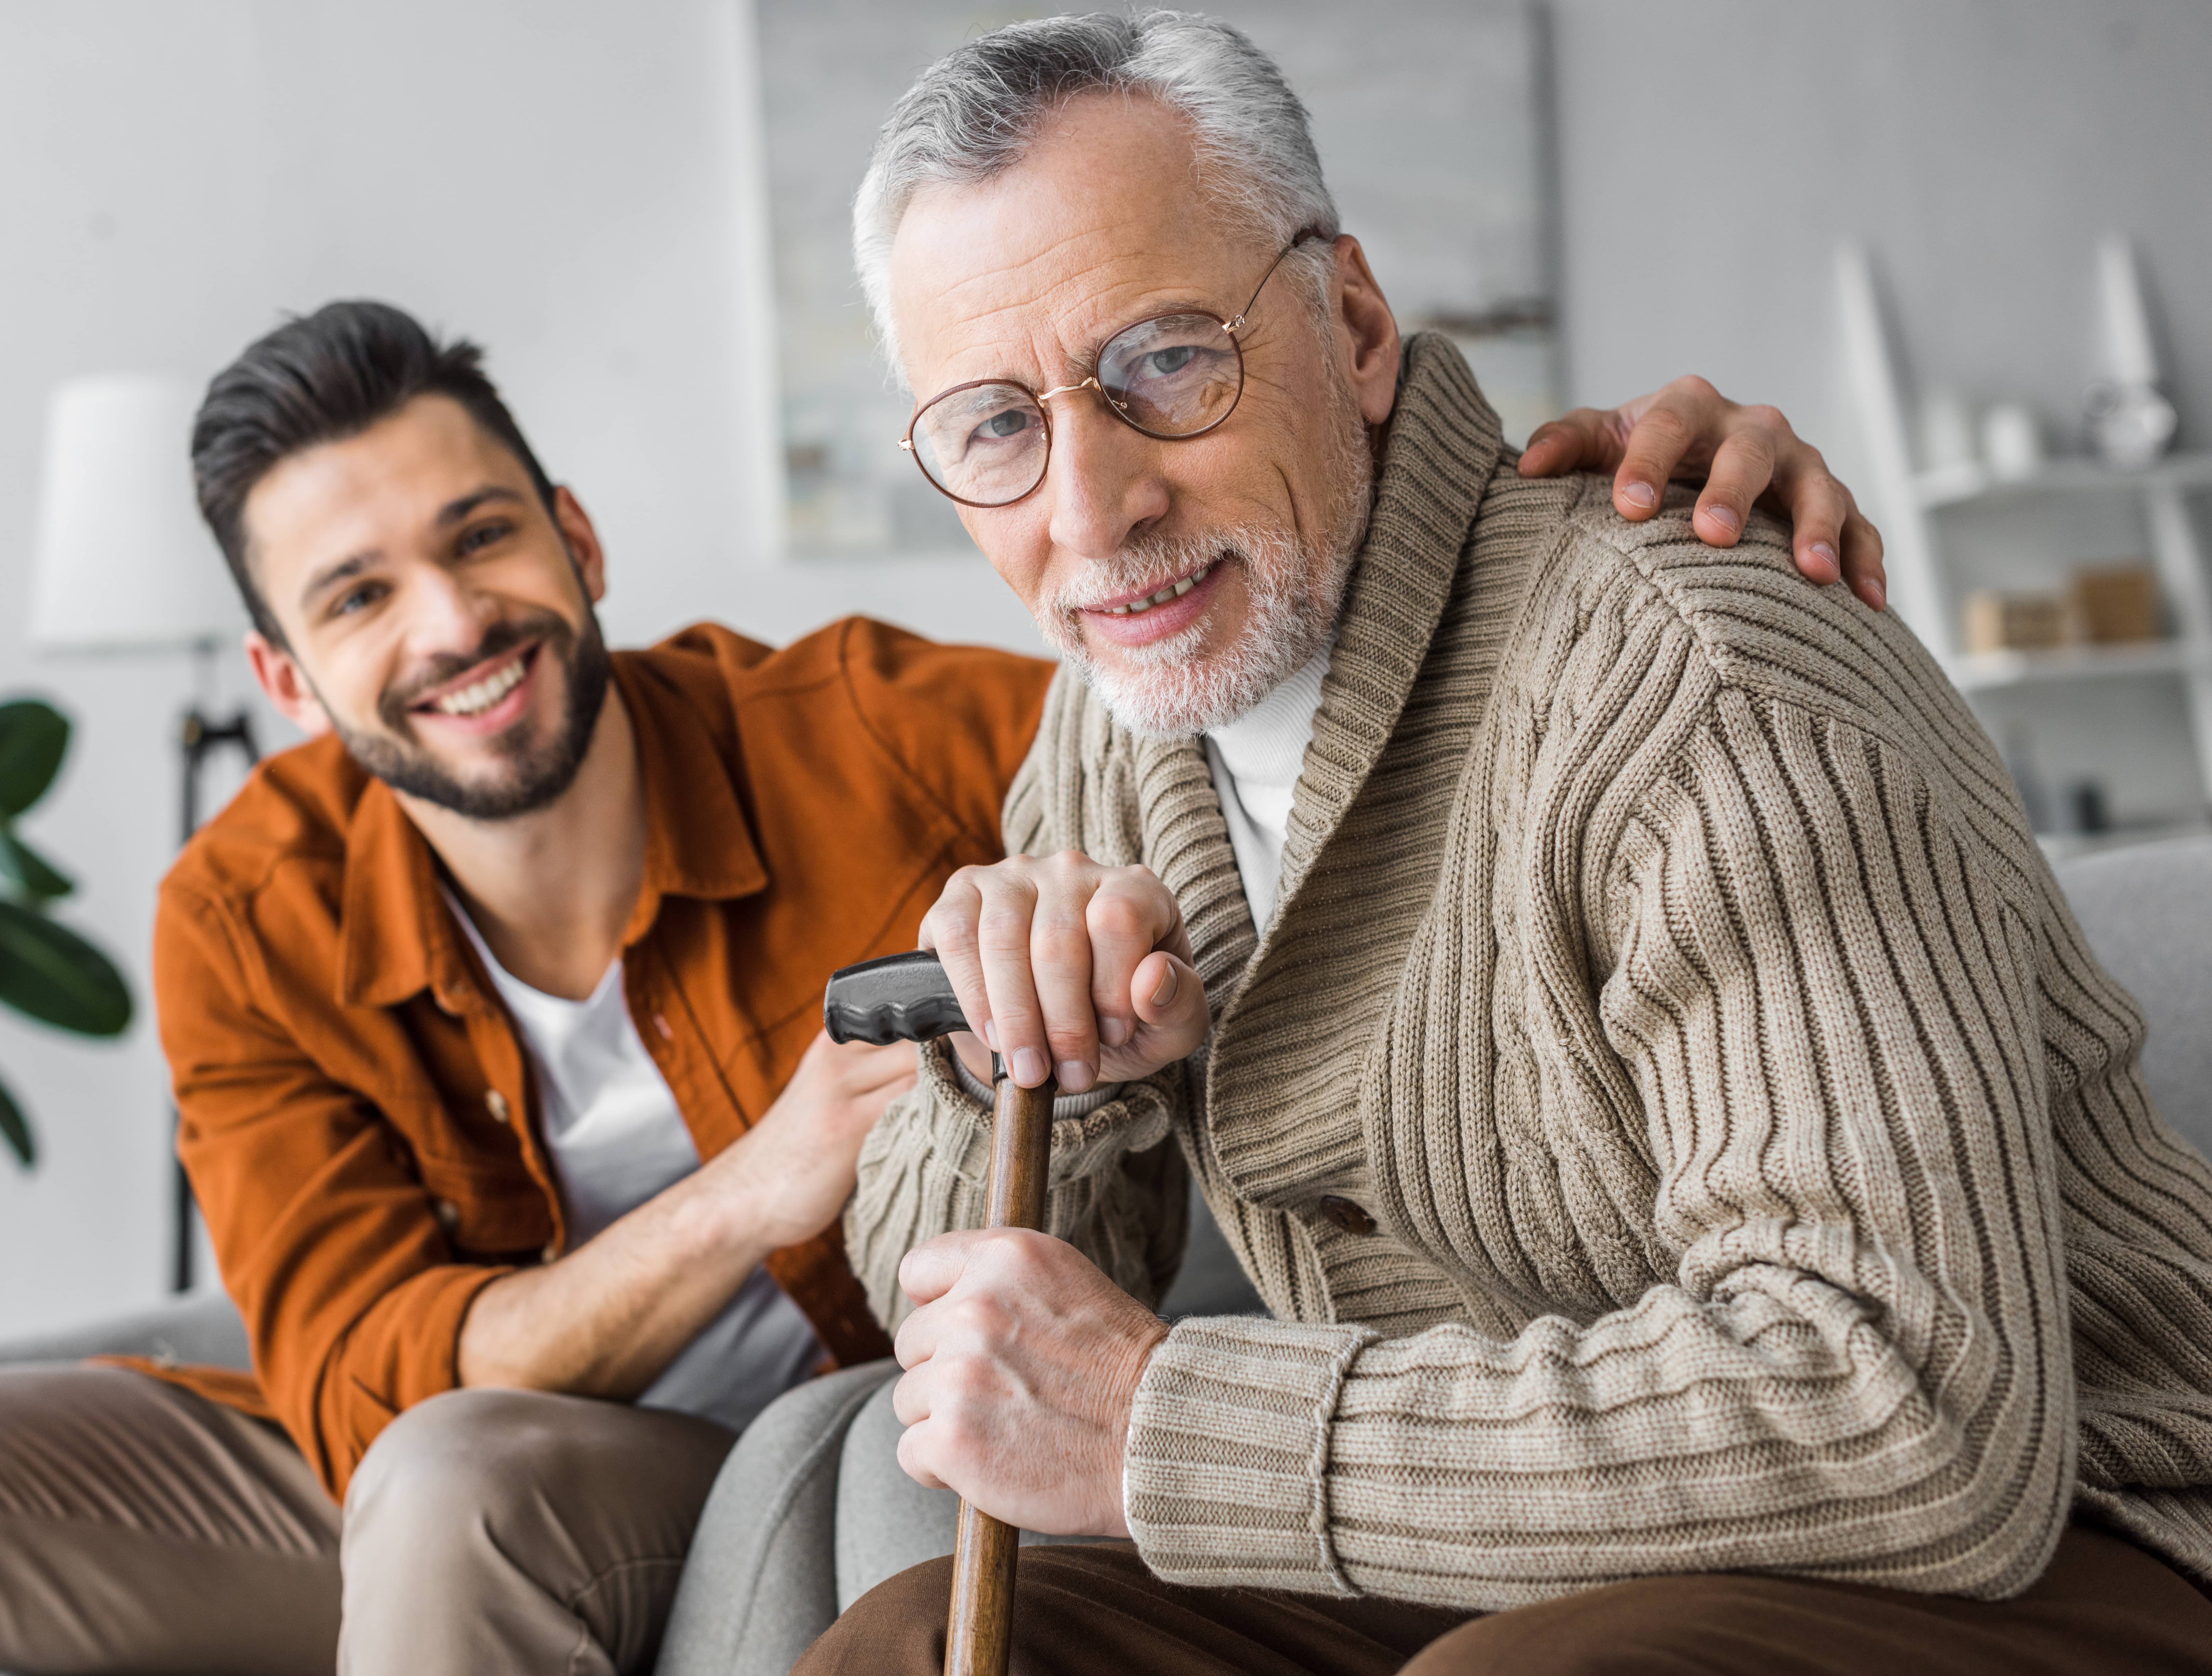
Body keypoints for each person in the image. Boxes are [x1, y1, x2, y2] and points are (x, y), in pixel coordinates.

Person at [0, 289, 1877, 1671]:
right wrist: (758, 1183)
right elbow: (357, 1381)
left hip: (710, 1467)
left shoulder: (882, 731)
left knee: (469, 1480)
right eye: (359, 595)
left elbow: (1205, 651)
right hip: (367, 1461)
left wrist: (1588, 510)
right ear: (285, 675)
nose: (449, 622)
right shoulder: (244, 912)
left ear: (577, 536)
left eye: (477, 539)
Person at [803, 13, 2212, 1676]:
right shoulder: (1113, 726)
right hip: (1504, 1560)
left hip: (2074, 1541)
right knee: (914, 1647)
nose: (1089, 508)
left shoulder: (1691, 670)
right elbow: (941, 1307)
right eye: (991, 428)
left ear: (1354, 322)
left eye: (1167, 362)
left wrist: (1158, 1423)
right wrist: (1040, 1064)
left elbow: (1910, 1415)